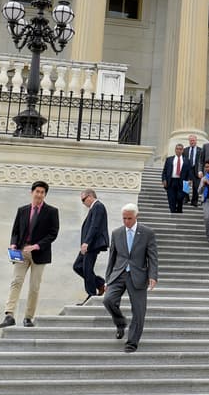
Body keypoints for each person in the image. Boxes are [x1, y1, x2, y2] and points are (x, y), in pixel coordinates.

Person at [1, 180, 60, 328]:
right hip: (21, 251)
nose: (39, 194)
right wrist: (13, 243)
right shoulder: (22, 210)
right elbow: (15, 231)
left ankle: (28, 317)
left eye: (42, 192)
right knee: (16, 281)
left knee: (34, 287)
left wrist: (37, 246)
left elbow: (53, 234)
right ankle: (9, 315)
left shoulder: (52, 211)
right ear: (32, 192)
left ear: (45, 195)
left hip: (39, 253)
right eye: (37, 191)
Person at [104, 204, 158, 353]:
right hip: (118, 274)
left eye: (129, 218)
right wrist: (107, 279)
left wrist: (153, 276)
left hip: (138, 275)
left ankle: (132, 342)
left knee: (139, 310)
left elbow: (152, 257)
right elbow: (112, 258)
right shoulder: (116, 233)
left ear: (136, 217)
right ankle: (120, 323)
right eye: (124, 218)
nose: (126, 221)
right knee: (108, 300)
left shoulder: (147, 233)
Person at [73, 188, 109, 303]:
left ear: (90, 196)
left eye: (83, 200)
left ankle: (91, 295)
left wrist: (87, 242)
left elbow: (95, 226)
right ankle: (100, 283)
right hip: (89, 244)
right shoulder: (94, 208)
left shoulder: (98, 206)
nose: (83, 203)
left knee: (87, 269)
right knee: (78, 266)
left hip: (92, 244)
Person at [161, 143, 187, 213]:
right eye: (177, 149)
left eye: (180, 149)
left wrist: (188, 184)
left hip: (182, 182)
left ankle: (179, 209)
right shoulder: (169, 159)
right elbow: (165, 171)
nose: (179, 151)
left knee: (180, 197)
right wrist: (164, 179)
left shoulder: (186, 161)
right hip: (171, 181)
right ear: (175, 150)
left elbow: (189, 173)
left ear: (182, 151)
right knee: (171, 198)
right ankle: (172, 211)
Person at [184, 134, 204, 208]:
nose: (192, 142)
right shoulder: (185, 150)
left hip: (196, 170)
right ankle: (186, 198)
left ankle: (194, 201)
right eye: (191, 140)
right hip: (187, 170)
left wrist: (201, 171)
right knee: (185, 184)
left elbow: (202, 161)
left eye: (193, 140)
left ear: (196, 141)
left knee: (196, 186)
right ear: (189, 141)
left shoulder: (201, 150)